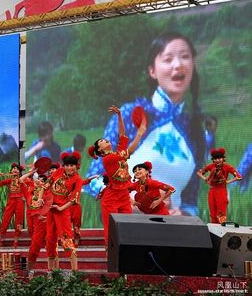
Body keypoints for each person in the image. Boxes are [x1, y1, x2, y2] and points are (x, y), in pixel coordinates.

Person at [86, 32, 208, 216]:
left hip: (172, 236)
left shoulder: (194, 130)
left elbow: (190, 200)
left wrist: (183, 214)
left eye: (185, 57)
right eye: (168, 59)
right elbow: (94, 177)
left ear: (193, 65)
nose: (178, 64)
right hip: (128, 233)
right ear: (152, 70)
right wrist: (124, 197)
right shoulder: (131, 115)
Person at [88, 106, 147, 247]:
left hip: (123, 196)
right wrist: (140, 132)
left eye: (105, 139)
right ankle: (110, 257)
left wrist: (119, 115)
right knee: (112, 230)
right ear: (100, 150)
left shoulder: (116, 153)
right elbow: (130, 150)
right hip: (111, 198)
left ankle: (123, 258)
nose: (105, 140)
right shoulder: (108, 159)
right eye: (101, 141)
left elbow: (122, 135)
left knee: (125, 226)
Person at [46, 151, 82, 271]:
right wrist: (41, 200)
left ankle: (75, 272)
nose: (69, 168)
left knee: (66, 240)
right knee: (50, 240)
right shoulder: (59, 171)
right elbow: (46, 185)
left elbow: (74, 199)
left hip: (62, 211)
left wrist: (61, 208)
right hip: (51, 209)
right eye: (67, 165)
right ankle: (51, 272)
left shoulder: (77, 179)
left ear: (76, 166)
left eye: (72, 165)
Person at [196, 148, 242, 223]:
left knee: (221, 213)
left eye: (219, 158)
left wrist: (228, 182)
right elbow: (199, 173)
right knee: (212, 213)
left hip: (221, 191)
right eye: (215, 159)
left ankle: (221, 230)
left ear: (223, 158)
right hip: (212, 191)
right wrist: (205, 178)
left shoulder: (228, 167)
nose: (217, 160)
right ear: (213, 159)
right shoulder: (211, 166)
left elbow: (239, 177)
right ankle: (213, 231)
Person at [0, 163, 26, 249]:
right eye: (13, 168)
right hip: (10, 202)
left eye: (17, 169)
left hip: (19, 202)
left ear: (19, 172)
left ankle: (16, 241)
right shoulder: (8, 181)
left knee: (19, 222)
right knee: (5, 220)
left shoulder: (23, 180)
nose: (15, 170)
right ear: (10, 171)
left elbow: (33, 185)